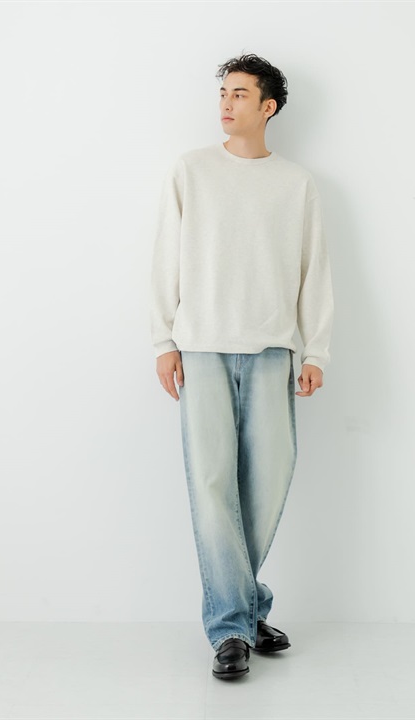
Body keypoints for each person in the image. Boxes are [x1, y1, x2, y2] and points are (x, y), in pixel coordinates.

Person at [150, 53, 334, 680]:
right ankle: (232, 626)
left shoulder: (296, 184)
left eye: (240, 94)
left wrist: (316, 351)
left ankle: (245, 607)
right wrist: (163, 341)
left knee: (268, 482)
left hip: (272, 350)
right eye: (223, 93)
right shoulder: (191, 171)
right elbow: (165, 259)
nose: (226, 104)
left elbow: (314, 272)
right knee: (211, 486)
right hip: (200, 347)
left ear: (268, 107)